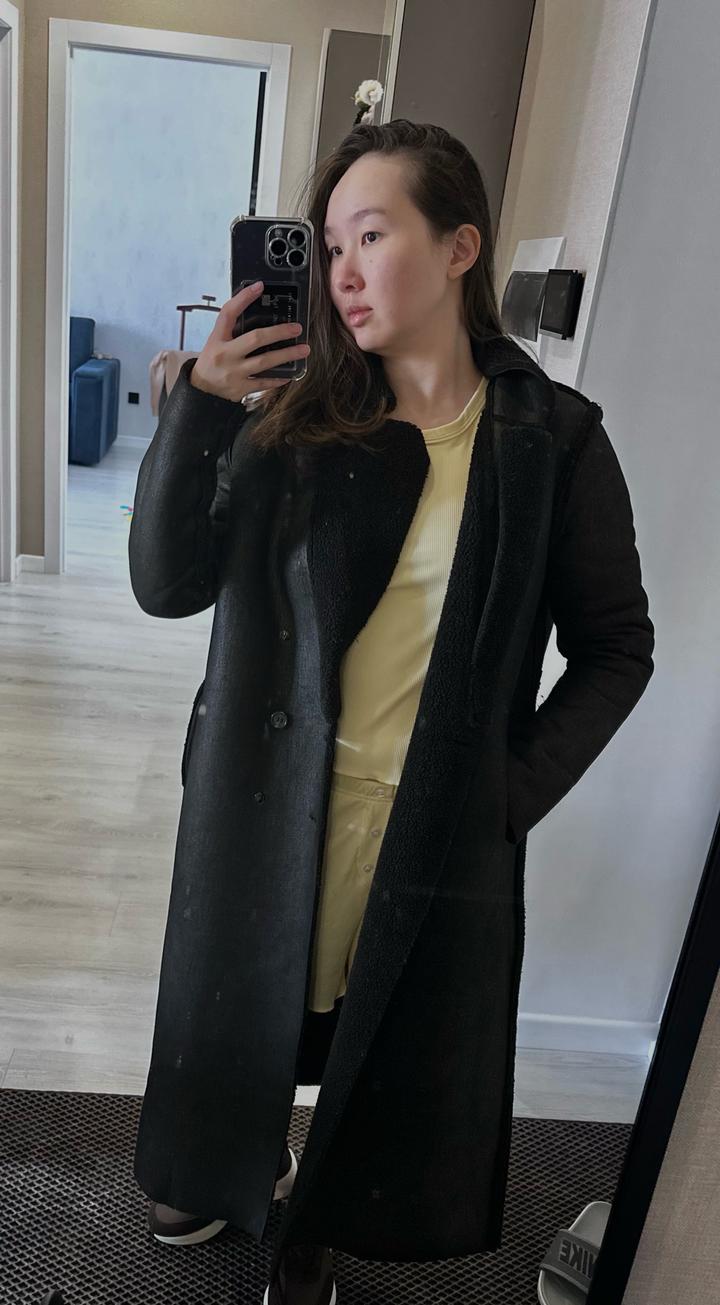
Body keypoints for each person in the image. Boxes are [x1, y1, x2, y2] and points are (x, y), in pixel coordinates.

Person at [128, 121, 654, 1305]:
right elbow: (167, 584)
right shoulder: (290, 413)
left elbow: (619, 648)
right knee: (237, 1024)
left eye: (372, 236)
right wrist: (202, 405)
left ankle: (314, 1233)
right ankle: (229, 1165)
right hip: (266, 804)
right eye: (329, 247)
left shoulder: (552, 441)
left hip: (425, 825)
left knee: (381, 1048)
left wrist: (510, 791)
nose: (343, 272)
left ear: (460, 246)